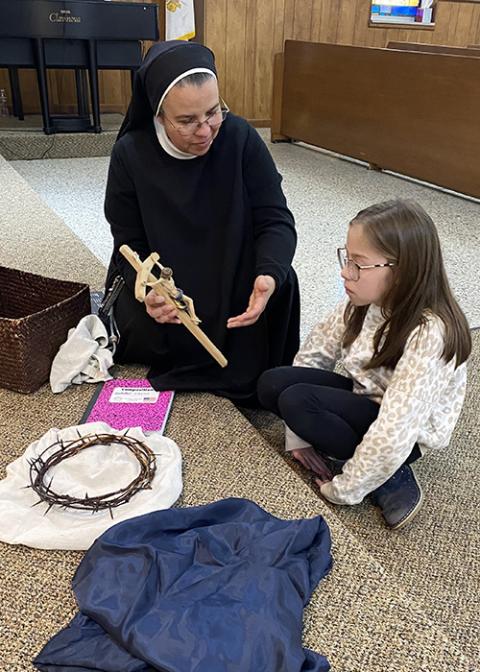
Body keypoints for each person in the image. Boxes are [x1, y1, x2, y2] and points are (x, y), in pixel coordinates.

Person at [104, 41, 300, 406]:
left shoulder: (240, 138)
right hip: (170, 280)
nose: (206, 130)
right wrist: (150, 292)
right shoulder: (131, 153)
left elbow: (275, 219)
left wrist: (268, 274)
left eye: (213, 112)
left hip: (231, 268)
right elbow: (128, 244)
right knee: (145, 319)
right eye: (187, 121)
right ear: (159, 115)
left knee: (279, 279)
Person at [257, 199, 471, 529]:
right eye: (347, 258)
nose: (345, 271)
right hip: (368, 400)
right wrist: (297, 436)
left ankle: (389, 473)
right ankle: (372, 464)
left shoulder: (431, 332)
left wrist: (342, 490)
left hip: (405, 433)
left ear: (400, 272)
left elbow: (396, 428)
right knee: (273, 384)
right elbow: (313, 357)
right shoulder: (362, 302)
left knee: (297, 401)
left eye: (358, 263)